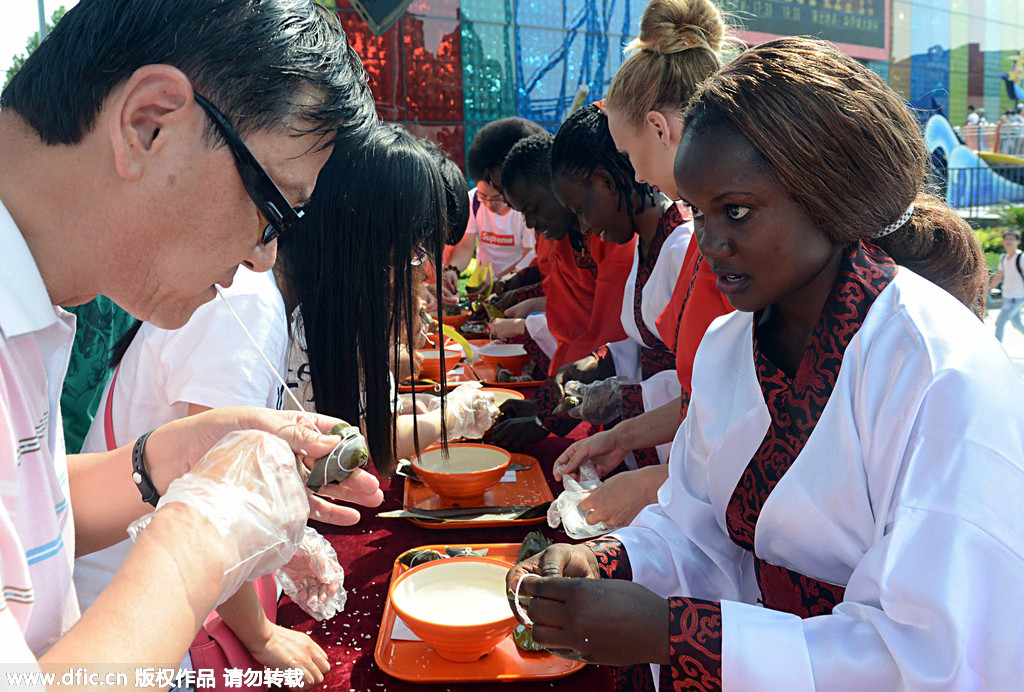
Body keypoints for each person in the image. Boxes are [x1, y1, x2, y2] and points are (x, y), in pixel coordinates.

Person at [509, 37, 1023, 690]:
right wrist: (613, 561)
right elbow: (697, 527)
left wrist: (680, 635)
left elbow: (931, 656)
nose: (711, 241)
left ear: (827, 196)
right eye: (699, 211)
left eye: (738, 211)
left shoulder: (940, 372)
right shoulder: (731, 346)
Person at [0, 0, 382, 676]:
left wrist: (165, 462)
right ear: (148, 124)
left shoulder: (30, 307)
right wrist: (195, 541)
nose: (264, 258)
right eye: (272, 209)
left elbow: (24, 512)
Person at [554, 0, 735, 529]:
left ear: (659, 129)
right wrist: (622, 437)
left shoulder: (719, 244)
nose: (639, 175)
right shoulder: (710, 235)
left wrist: (661, 479)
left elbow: (754, 419)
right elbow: (705, 404)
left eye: (630, 157)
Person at [276, 125, 499, 466]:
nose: (410, 267)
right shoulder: (282, 308)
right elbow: (358, 439)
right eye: (411, 249)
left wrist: (403, 407)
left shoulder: (336, 297)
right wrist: (447, 419)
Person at [498, 132, 636, 374]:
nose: (530, 223)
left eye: (533, 209)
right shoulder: (563, 241)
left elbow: (614, 333)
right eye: (522, 214)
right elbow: (568, 329)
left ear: (559, 186)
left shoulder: (612, 233)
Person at [443, 118, 546, 295]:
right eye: (484, 196)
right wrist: (452, 270)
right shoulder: (473, 201)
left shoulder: (524, 211)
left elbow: (530, 255)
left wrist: (501, 280)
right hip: (486, 284)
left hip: (517, 283)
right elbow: (466, 246)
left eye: (498, 197)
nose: (490, 204)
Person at [989, 228, 1024, 342]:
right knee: (1017, 324)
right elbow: (1000, 275)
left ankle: (996, 350)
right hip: (1008, 296)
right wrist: (989, 288)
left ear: (1018, 241)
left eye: (1012, 239)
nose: (1008, 241)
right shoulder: (1003, 257)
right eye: (1006, 239)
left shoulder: (1021, 257)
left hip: (1018, 298)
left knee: (1000, 322)